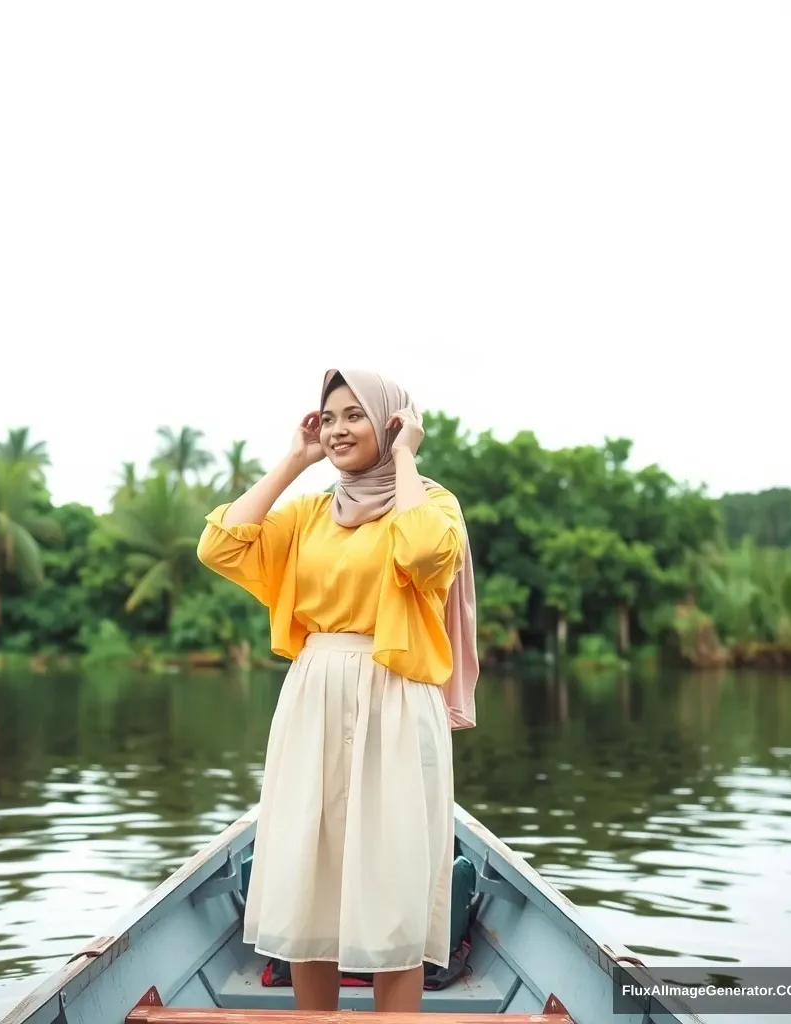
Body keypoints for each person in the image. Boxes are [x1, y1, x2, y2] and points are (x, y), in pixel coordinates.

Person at [196, 368, 479, 1014]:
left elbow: (426, 554)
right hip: (314, 698)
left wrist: (405, 456)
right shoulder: (308, 515)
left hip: (399, 700)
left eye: (356, 415)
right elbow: (219, 545)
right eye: (328, 418)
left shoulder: (432, 505)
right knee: (307, 873)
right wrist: (294, 460)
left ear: (391, 421)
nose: (338, 428)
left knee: (394, 880)